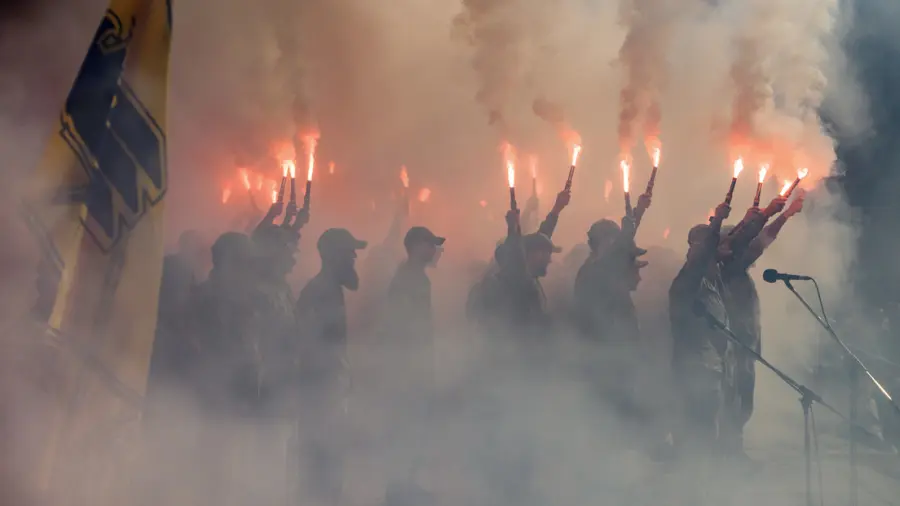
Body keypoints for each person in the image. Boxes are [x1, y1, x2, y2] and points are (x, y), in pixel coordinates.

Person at [718, 192, 804, 459]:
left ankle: (733, 450)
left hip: (745, 348)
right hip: (733, 350)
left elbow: (757, 245)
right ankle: (728, 454)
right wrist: (783, 216)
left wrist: (785, 216)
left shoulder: (738, 272)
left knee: (742, 402)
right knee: (733, 402)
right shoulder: (727, 270)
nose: (748, 251)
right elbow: (759, 244)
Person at [293, 228, 367, 506]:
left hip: (329, 392)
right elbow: (308, 346)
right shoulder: (318, 291)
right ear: (332, 255)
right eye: (349, 252)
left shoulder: (330, 289)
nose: (353, 258)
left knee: (331, 463)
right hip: (320, 394)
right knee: (320, 465)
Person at [379, 226, 446, 506]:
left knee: (414, 429)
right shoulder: (409, 279)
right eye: (431, 245)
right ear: (417, 246)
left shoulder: (416, 278)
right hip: (407, 370)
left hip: (414, 367)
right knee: (406, 428)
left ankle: (406, 484)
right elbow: (401, 327)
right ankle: (399, 490)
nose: (435, 251)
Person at [668, 202, 731, 461]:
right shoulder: (686, 283)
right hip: (694, 367)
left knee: (708, 429)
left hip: (711, 366)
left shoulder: (711, 282)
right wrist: (716, 222)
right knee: (695, 430)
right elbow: (702, 256)